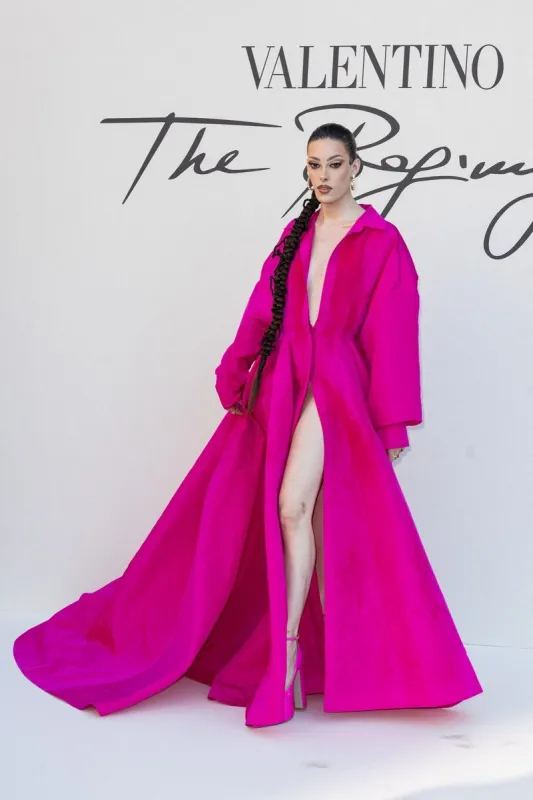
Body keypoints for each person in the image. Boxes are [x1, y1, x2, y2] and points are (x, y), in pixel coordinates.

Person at [13, 122, 482, 729]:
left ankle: (284, 659)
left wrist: (392, 424)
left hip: (334, 388)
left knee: (292, 507)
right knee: (292, 513)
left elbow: (393, 336)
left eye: (335, 164)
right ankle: (309, 654)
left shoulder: (381, 241)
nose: (323, 176)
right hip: (283, 381)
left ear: (356, 166)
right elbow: (262, 308)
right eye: (314, 165)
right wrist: (237, 373)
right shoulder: (295, 234)